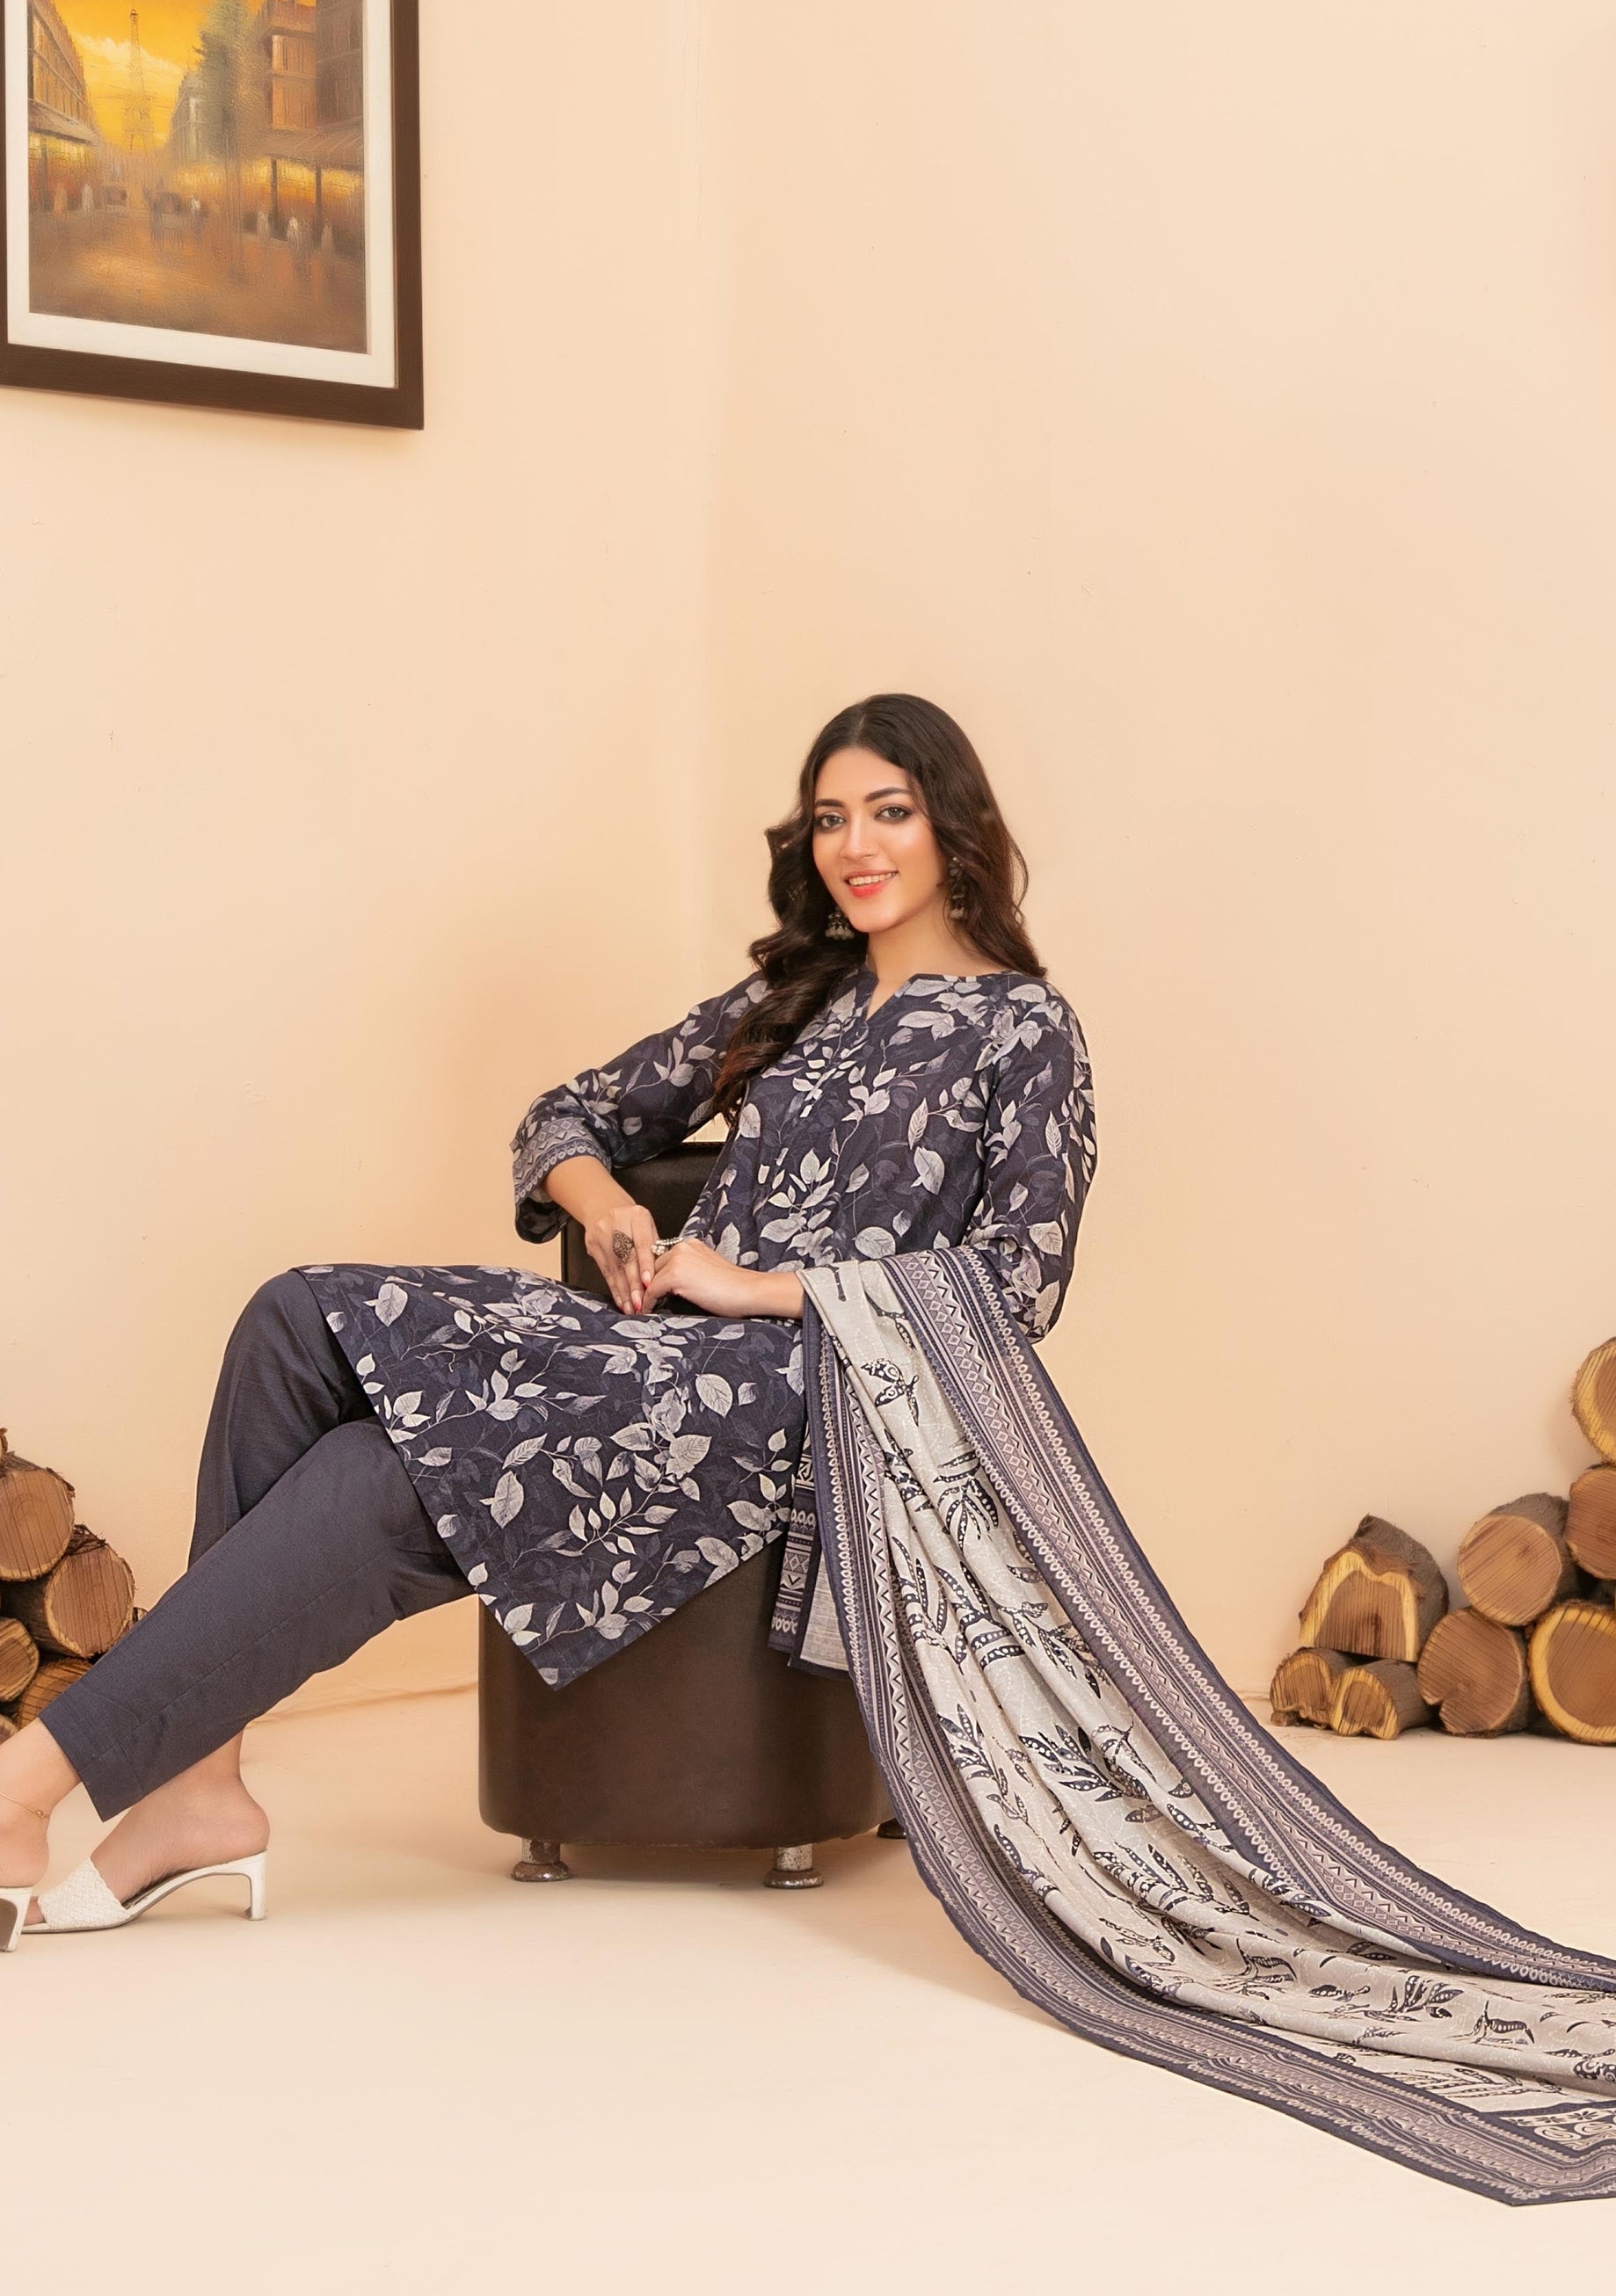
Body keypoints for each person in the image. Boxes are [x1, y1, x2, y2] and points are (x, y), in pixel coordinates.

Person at [0, 693, 1091, 1935]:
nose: (856, 844)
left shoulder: (1024, 1028)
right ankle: (198, 1785)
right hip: (662, 1357)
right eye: (831, 817)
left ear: (952, 823)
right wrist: (612, 1210)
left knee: (378, 1471)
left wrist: (757, 1287)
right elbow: (561, 1116)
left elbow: (1018, 1282)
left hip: (800, 1397)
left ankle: (21, 1791)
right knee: (292, 1317)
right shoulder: (793, 1004)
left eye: (889, 811)